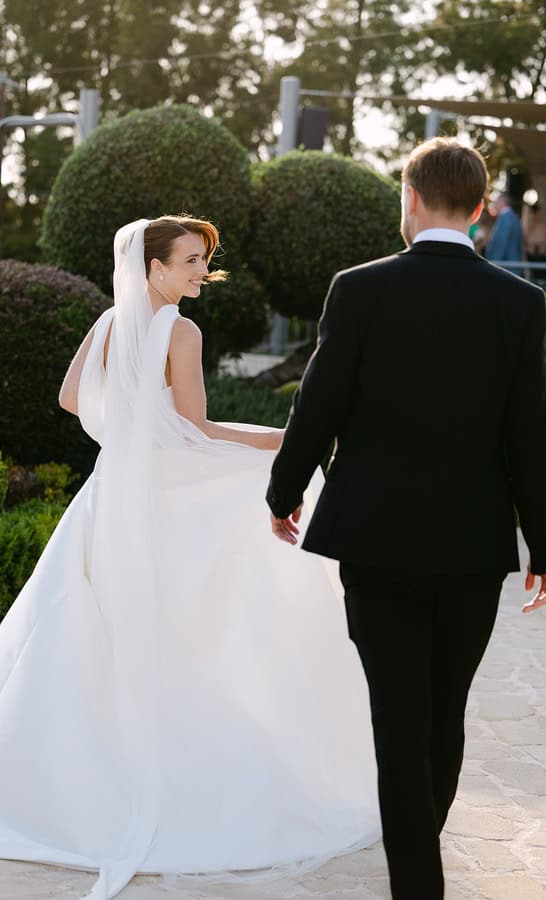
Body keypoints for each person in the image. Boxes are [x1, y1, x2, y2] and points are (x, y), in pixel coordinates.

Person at [0, 215, 380, 900]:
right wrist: (286, 439)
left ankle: (75, 778)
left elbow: (68, 397)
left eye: (203, 260)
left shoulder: (109, 323)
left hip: (111, 493)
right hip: (161, 495)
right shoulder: (179, 330)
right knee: (185, 628)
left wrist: (128, 436)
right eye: (192, 260)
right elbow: (200, 427)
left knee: (95, 631)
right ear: (154, 268)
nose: (203, 271)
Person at [267, 138, 546, 900]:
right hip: (472, 549)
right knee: (443, 717)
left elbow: (319, 401)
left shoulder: (358, 289)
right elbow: (528, 432)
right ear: (478, 209)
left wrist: (284, 491)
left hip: (375, 540)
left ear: (409, 199)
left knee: (399, 728)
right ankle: (418, 868)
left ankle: (415, 884)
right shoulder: (518, 303)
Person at [484, 192, 524, 274]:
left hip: (506, 268)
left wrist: (493, 265)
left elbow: (501, 243)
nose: (495, 204)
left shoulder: (506, 218)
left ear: (503, 201)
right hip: (510, 266)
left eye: (497, 201)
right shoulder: (512, 217)